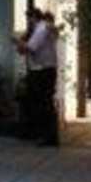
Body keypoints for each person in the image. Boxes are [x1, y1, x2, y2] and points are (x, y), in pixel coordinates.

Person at [18, 8, 60, 146]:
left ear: (34, 17)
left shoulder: (41, 29)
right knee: (40, 102)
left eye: (29, 19)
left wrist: (17, 41)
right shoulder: (40, 29)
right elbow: (24, 50)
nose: (28, 22)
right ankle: (42, 134)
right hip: (42, 69)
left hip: (42, 70)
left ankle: (48, 136)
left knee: (44, 103)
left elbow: (31, 48)